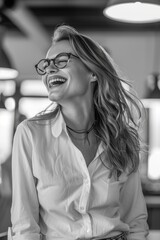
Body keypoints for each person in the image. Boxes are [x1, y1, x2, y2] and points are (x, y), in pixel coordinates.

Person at [8, 24, 149, 240]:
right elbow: (25, 228)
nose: (49, 69)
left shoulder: (122, 139)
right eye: (46, 64)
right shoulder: (30, 135)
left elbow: (135, 223)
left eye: (61, 60)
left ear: (92, 71)